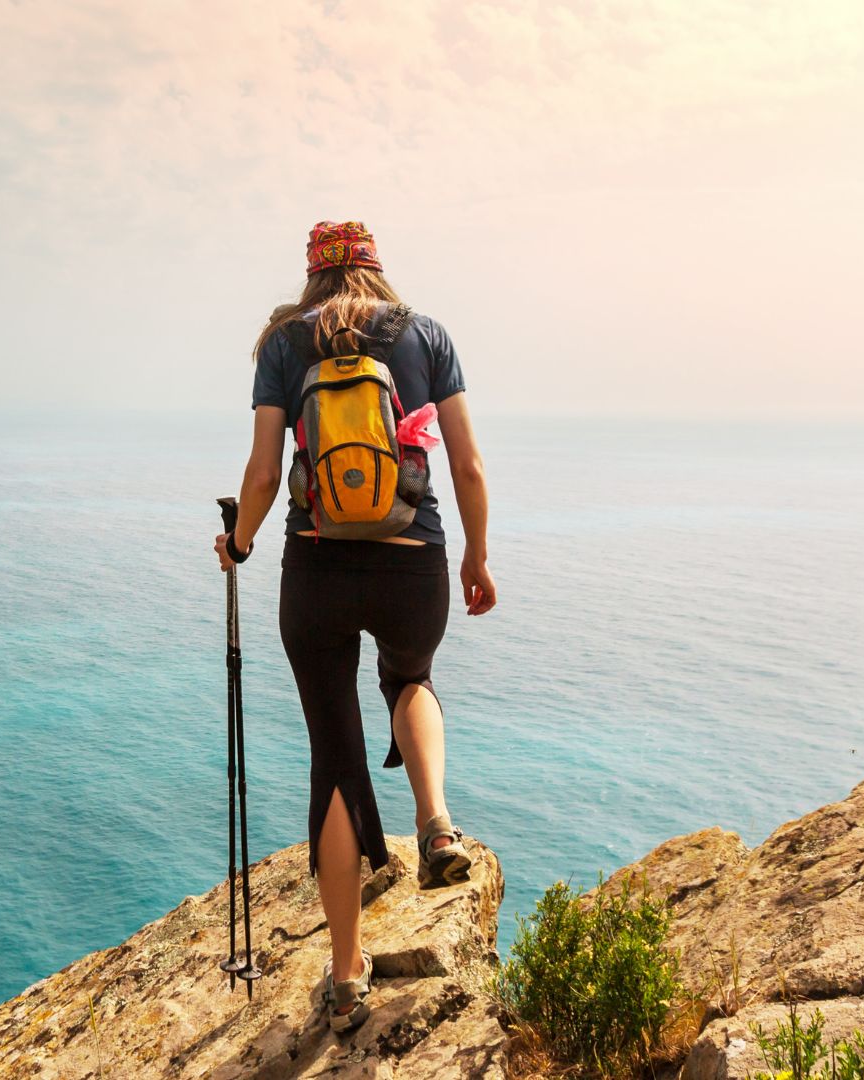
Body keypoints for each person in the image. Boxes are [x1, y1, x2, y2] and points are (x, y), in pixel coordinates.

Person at [213, 220, 497, 1033]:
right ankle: (435, 821)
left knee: (334, 755)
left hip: (316, 568)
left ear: (313, 275)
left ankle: (345, 978)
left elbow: (266, 471)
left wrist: (239, 543)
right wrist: (478, 556)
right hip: (415, 559)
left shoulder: (281, 343)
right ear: (376, 269)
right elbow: (469, 465)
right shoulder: (428, 334)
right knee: (410, 677)